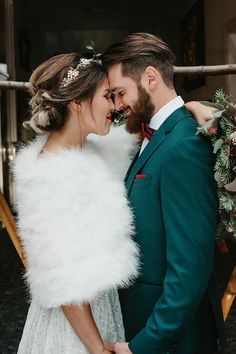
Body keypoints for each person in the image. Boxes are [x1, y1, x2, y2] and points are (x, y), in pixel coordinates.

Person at [102, 32, 224, 354]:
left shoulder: (183, 145)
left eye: (120, 93)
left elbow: (189, 269)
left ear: (151, 77)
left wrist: (142, 345)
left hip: (171, 340)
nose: (117, 105)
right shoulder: (155, 136)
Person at [13, 53, 140, 354]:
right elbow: (63, 280)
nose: (114, 106)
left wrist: (190, 108)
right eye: (107, 96)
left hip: (102, 309)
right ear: (78, 101)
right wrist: (96, 348)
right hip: (74, 328)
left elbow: (148, 129)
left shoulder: (96, 150)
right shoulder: (49, 174)